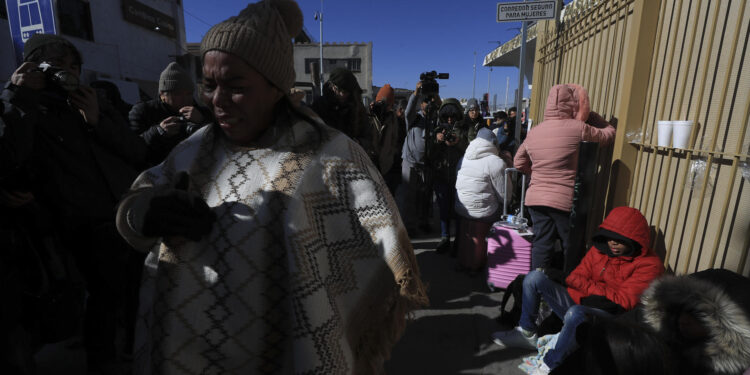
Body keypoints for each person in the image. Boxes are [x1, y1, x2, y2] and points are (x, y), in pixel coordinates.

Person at [114, 1, 427, 373]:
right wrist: (144, 212)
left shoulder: (332, 157)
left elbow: (386, 255)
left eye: (236, 86)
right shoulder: (193, 149)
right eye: (209, 85)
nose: (216, 100)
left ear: (276, 87)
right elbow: (135, 202)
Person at [1, 33, 147, 372]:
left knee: (108, 300)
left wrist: (97, 119)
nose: (68, 73)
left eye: (74, 65)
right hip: (59, 228)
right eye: (58, 65)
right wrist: (18, 94)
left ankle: (105, 360)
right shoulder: (23, 101)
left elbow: (136, 152)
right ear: (36, 65)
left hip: (109, 219)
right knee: (64, 306)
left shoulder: (91, 101)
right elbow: (8, 157)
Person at [491, 206, 664, 375]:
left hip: (610, 317)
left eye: (620, 239)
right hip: (584, 301)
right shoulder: (600, 249)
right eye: (610, 237)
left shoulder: (649, 265)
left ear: (634, 241)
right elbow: (577, 276)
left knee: (575, 313)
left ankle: (551, 364)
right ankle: (527, 332)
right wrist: (582, 285)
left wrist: (580, 284)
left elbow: (622, 302)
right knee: (534, 278)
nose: (613, 242)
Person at [514, 84, 616, 270]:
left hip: (535, 198)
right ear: (573, 105)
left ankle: (536, 285)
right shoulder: (579, 128)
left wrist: (537, 173)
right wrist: (592, 117)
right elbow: (608, 135)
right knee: (571, 244)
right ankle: (568, 286)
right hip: (564, 199)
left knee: (542, 243)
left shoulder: (535, 131)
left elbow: (518, 163)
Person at [639, 268, 750, 375]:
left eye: (699, 316)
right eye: (680, 310)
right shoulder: (653, 335)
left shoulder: (717, 368)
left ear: (723, 330)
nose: (684, 320)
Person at [129, 62, 213, 167]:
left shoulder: (203, 112)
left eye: (189, 94)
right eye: (177, 94)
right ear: (162, 95)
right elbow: (132, 148)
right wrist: (158, 131)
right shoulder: (143, 111)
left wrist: (202, 122)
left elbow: (221, 142)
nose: (185, 99)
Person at [428, 98, 469, 254]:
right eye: (447, 117)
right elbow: (429, 155)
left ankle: (459, 239)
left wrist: (458, 142)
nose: (450, 119)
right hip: (441, 176)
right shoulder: (437, 130)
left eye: (453, 116)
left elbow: (471, 150)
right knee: (443, 210)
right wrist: (437, 141)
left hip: (460, 178)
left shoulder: (464, 130)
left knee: (459, 210)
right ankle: (445, 238)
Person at [399, 82, 439, 235]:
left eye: (430, 103)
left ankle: (424, 222)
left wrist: (435, 95)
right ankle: (408, 226)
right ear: (421, 104)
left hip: (427, 164)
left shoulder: (435, 120)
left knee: (426, 197)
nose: (427, 105)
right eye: (425, 102)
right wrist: (416, 92)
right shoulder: (414, 118)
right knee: (409, 196)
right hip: (410, 162)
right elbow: (408, 110)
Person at [312, 67, 376, 161]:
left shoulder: (358, 107)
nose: (342, 94)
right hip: (325, 159)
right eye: (339, 90)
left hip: (351, 159)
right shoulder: (319, 105)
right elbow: (311, 135)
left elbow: (368, 137)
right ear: (332, 86)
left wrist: (358, 142)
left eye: (346, 92)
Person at [454, 127, 511, 223]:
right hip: (485, 212)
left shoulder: (463, 158)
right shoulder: (496, 162)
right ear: (494, 143)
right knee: (506, 212)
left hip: (461, 208)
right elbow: (505, 198)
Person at [369, 84, 400, 195]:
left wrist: (391, 155)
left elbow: (394, 139)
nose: (385, 107)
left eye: (388, 105)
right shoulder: (370, 115)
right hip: (371, 164)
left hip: (387, 165)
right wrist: (370, 113)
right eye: (382, 104)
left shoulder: (392, 118)